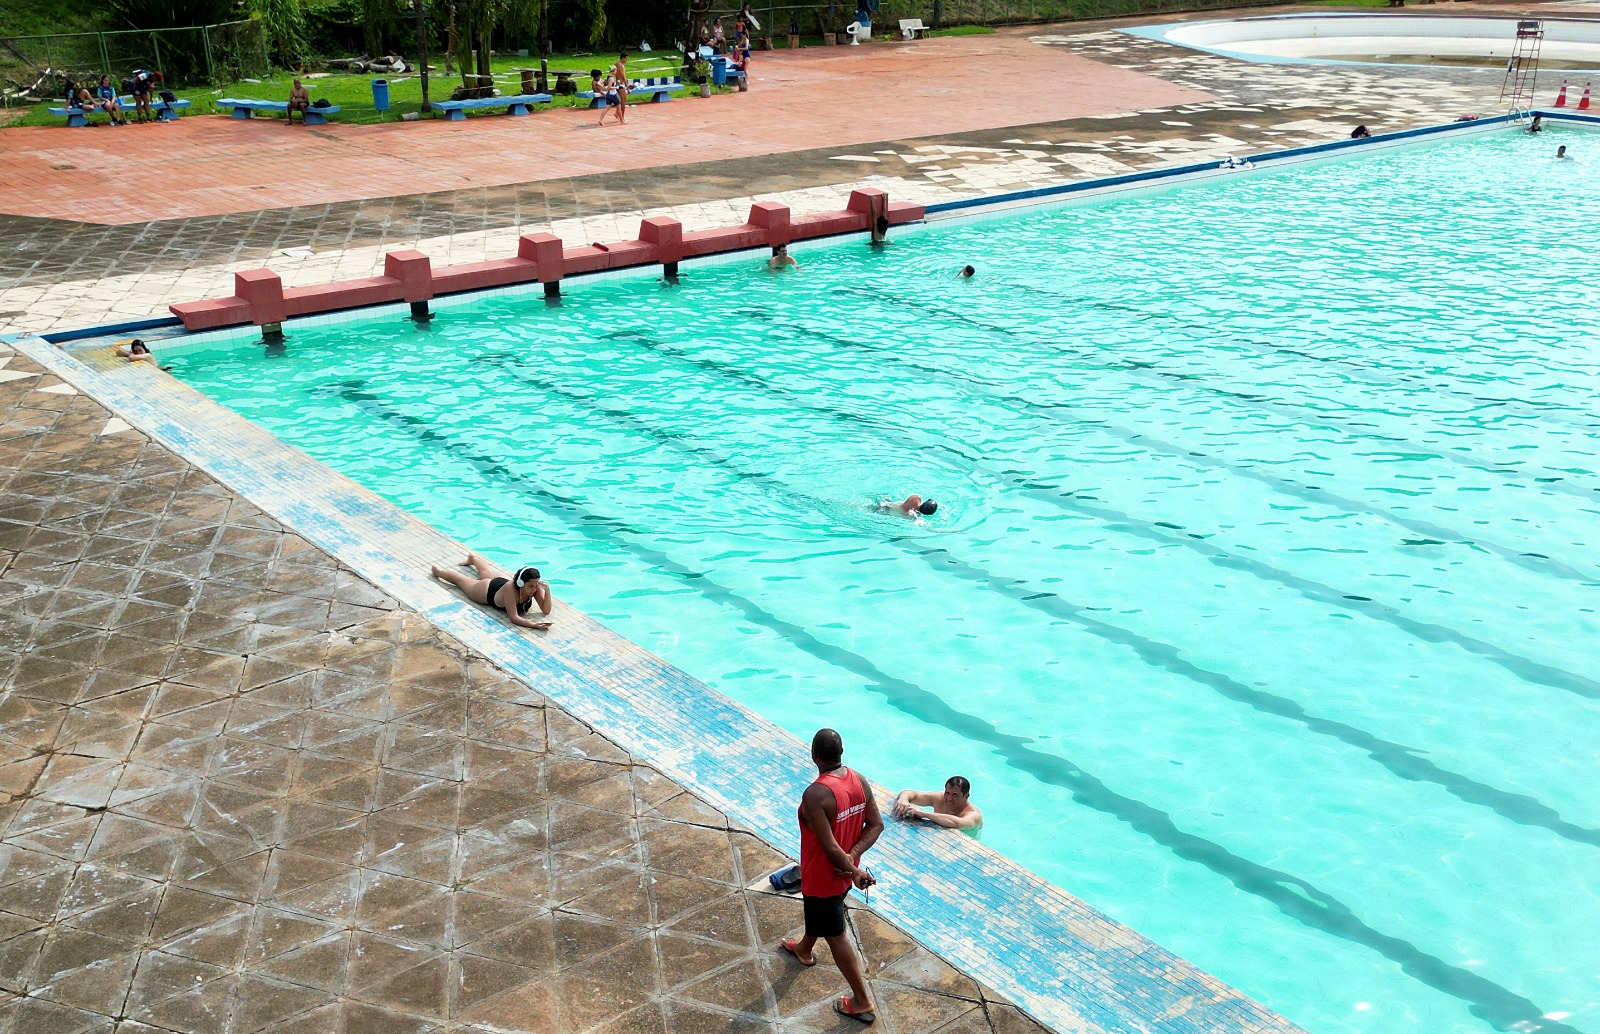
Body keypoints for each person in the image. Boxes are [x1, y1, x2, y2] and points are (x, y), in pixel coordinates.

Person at [780, 729, 883, 1025]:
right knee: (823, 917)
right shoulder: (859, 780)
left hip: (823, 879)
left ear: (813, 756)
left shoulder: (816, 794)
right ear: (842, 752)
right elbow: (875, 825)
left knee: (835, 935)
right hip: (841, 876)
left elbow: (829, 847)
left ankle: (861, 1000)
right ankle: (803, 949)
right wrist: (853, 861)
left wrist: (852, 868)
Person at [431, 552, 554, 630]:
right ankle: (437, 571)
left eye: (535, 585)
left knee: (486, 572)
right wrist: (533, 625)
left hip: (499, 582)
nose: (533, 589)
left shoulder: (535, 587)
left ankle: (472, 559)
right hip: (486, 591)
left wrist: (547, 591)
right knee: (460, 580)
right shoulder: (511, 588)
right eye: (530, 586)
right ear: (521, 583)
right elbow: (513, 617)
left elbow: (546, 610)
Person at [892, 776, 983, 836]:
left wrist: (924, 814)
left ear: (966, 796)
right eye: (947, 793)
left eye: (955, 795)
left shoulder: (974, 814)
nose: (949, 798)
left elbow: (958, 824)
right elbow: (911, 793)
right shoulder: (939, 799)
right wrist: (903, 799)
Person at [610, 52, 629, 124]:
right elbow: (623, 76)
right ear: (623, 58)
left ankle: (617, 113)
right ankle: (622, 117)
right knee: (623, 100)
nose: (627, 60)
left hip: (617, 83)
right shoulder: (620, 65)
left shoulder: (616, 64)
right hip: (621, 84)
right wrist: (627, 86)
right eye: (626, 58)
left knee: (621, 100)